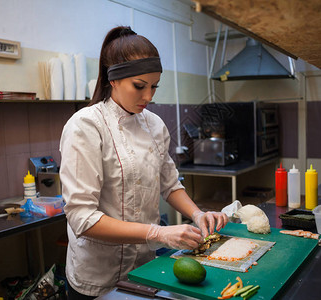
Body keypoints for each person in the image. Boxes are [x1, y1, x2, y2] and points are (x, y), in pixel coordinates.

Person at [59, 26, 228, 299]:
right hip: (96, 276)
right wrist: (159, 233)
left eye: (154, 87)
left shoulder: (154, 125)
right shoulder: (86, 126)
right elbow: (82, 219)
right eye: (139, 86)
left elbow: (170, 185)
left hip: (145, 271)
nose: (148, 97)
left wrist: (198, 215)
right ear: (113, 79)